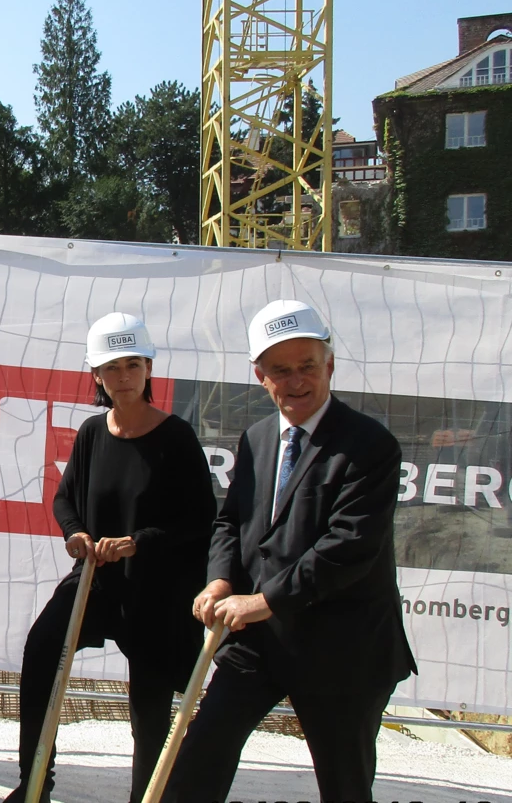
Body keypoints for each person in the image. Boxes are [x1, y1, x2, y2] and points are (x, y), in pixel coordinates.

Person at [164, 299, 417, 802]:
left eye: (307, 366)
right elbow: (231, 521)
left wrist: (260, 602)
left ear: (329, 365)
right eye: (281, 370)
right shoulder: (258, 439)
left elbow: (348, 548)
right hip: (258, 641)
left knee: (344, 784)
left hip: (342, 646)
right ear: (260, 376)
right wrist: (220, 579)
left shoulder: (370, 445)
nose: (296, 381)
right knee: (197, 761)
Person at [3, 313, 216, 803]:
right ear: (95, 375)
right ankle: (34, 785)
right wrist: (76, 533)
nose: (123, 377)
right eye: (111, 368)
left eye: (131, 365)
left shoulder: (177, 438)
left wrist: (137, 541)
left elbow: (199, 522)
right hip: (96, 580)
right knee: (42, 650)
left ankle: (148, 796)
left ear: (148, 369)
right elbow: (65, 499)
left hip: (156, 591)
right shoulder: (92, 434)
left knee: (149, 703)